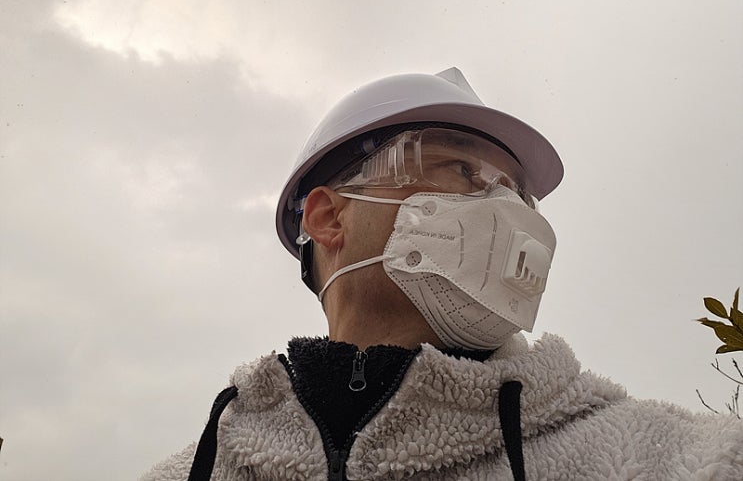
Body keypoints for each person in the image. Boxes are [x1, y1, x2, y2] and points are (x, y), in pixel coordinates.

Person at [142, 68, 742, 481]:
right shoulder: (202, 470)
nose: (506, 209)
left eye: (517, 192)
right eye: (462, 169)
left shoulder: (682, 458)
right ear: (327, 218)